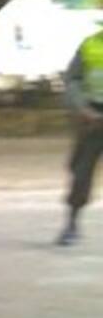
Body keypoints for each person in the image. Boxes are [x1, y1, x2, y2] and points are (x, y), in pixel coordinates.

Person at [55, 24, 103, 247]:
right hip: (92, 119)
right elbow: (73, 80)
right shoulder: (90, 45)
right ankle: (71, 225)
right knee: (81, 172)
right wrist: (82, 109)